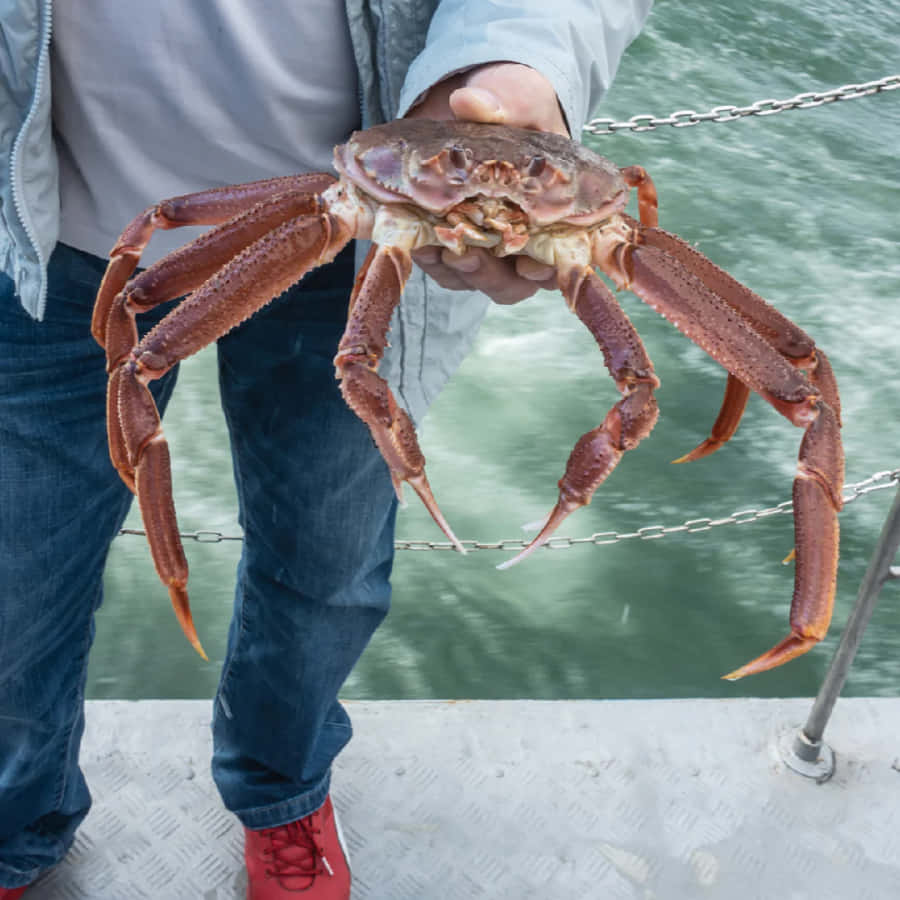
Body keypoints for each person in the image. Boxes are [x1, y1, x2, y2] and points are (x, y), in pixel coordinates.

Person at [0, 1, 652, 897]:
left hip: (372, 231)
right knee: (16, 572)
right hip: (46, 212)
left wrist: (517, 62)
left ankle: (283, 791)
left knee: (326, 562)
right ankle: (9, 821)